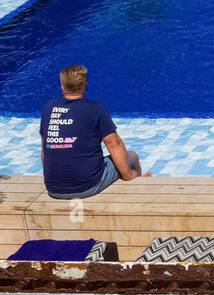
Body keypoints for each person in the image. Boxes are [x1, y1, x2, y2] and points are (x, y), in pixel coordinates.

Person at [41, 65, 149, 200]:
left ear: (62, 85)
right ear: (85, 84)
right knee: (132, 157)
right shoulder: (95, 108)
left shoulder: (48, 109)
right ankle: (139, 190)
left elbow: (45, 152)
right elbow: (114, 144)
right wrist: (128, 175)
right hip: (87, 186)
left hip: (54, 188)